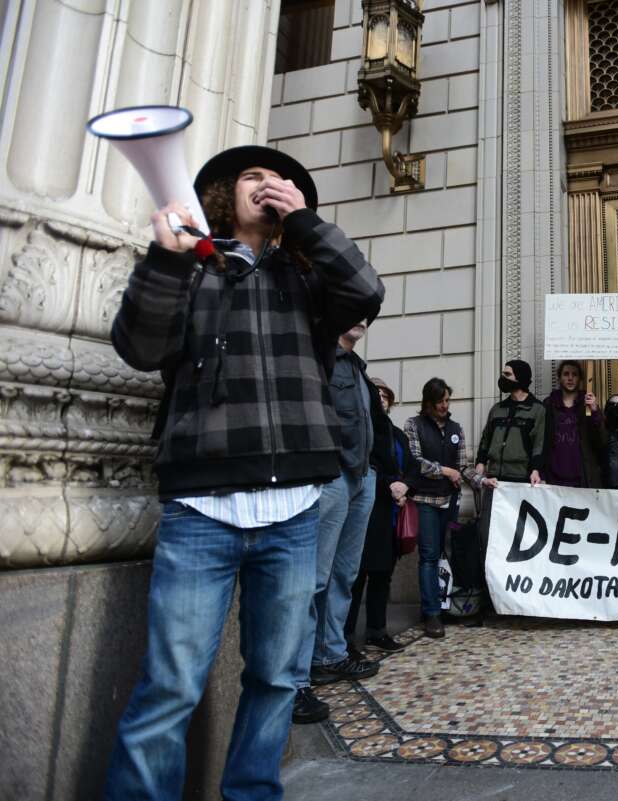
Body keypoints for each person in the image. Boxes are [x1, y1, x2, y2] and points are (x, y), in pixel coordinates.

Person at [104, 146, 384, 799]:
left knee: (277, 677)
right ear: (225, 194)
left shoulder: (309, 279)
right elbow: (141, 346)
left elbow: (366, 289)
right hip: (201, 512)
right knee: (171, 685)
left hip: (292, 514)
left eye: (279, 180)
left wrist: (309, 225)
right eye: (254, 176)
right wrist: (168, 257)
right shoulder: (190, 267)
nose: (268, 184)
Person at [293, 318, 397, 722]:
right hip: (332, 475)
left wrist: (373, 470)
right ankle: (297, 677)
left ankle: (330, 653)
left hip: (362, 476)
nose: (361, 318)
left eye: (367, 314)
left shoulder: (357, 368)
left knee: (343, 575)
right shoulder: (322, 356)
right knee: (314, 578)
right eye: (352, 309)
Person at [406, 377, 485, 638]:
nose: (444, 405)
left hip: (449, 502)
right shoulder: (413, 425)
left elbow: (464, 467)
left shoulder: (455, 428)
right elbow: (415, 462)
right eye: (440, 401)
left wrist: (483, 481)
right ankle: (431, 614)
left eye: (447, 400)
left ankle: (444, 604)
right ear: (428, 402)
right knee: (428, 555)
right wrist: (443, 471)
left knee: (444, 554)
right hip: (425, 501)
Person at [344, 378, 411, 658]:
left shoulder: (397, 434)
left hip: (391, 512)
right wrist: (389, 486)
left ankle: (377, 630)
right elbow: (366, 467)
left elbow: (410, 466)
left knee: (383, 573)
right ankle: (344, 637)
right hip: (366, 509)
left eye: (386, 395)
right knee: (356, 575)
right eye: (377, 394)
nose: (382, 398)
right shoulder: (362, 430)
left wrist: (406, 486)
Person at [475, 359, 547, 486]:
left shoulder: (537, 409)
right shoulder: (497, 409)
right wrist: (480, 462)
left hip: (521, 480)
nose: (503, 378)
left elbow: (539, 444)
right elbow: (486, 439)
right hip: (494, 480)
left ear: (520, 377)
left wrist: (536, 470)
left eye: (507, 375)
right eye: (503, 374)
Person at [542, 360, 604, 487]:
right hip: (554, 477)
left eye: (574, 374)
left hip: (582, 478)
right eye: (566, 374)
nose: (570, 378)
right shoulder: (549, 404)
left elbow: (601, 439)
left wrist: (595, 411)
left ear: (580, 379)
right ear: (559, 378)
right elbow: (542, 441)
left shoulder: (587, 405)